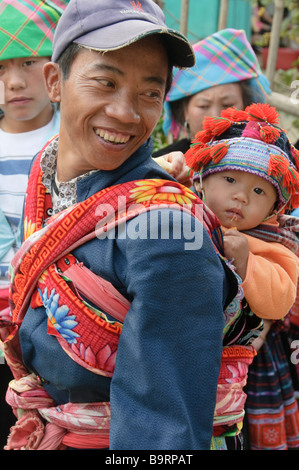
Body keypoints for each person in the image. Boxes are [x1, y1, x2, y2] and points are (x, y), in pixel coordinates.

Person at [0, 0, 240, 450]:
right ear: (56, 81)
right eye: (105, 82)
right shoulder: (46, 172)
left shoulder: (168, 231)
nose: (127, 113)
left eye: (150, 93)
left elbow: (164, 431)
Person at [185, 102, 299, 450]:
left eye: (259, 191)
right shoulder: (181, 212)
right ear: (202, 178)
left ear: (274, 208)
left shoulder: (273, 245)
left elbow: (279, 301)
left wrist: (248, 264)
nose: (240, 196)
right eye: (230, 179)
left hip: (227, 369)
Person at [0, 0, 69, 449]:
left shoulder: (76, 140)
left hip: (58, 325)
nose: (13, 82)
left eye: (28, 62)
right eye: (1, 67)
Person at [153, 28, 271, 160]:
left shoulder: (267, 160)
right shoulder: (162, 167)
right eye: (203, 106)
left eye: (228, 104)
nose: (216, 117)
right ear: (185, 111)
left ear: (246, 107)